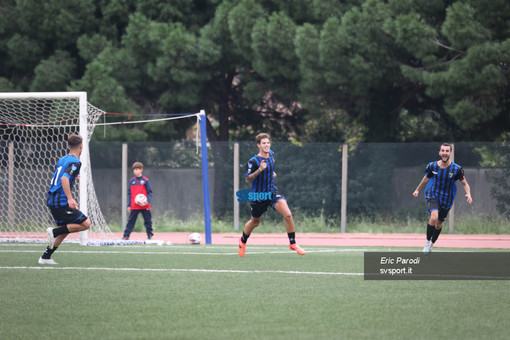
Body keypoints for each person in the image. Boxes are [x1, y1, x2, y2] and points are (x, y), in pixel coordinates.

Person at [238, 133, 306, 257]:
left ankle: (292, 243)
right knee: (255, 222)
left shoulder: (272, 155)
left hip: (272, 192)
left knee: (288, 215)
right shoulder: (253, 161)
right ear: (258, 145)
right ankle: (242, 241)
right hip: (258, 196)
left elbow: (269, 168)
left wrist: (270, 173)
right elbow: (248, 179)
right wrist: (260, 170)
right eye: (263, 143)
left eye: (268, 143)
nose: (266, 145)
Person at [39, 134, 91, 265]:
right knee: (86, 224)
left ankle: (45, 257)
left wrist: (74, 177)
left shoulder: (62, 159)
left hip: (52, 198)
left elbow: (61, 175)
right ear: (81, 146)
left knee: (66, 228)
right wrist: (70, 199)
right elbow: (63, 179)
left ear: (68, 146)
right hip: (60, 200)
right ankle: (54, 232)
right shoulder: (75, 162)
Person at [412, 143, 472, 253]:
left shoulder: (456, 169)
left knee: (438, 224)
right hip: (433, 194)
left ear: (450, 153)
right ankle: (426, 242)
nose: (444, 153)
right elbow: (426, 178)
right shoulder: (432, 166)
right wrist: (417, 189)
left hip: (447, 199)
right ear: (439, 152)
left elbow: (464, 183)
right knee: (434, 218)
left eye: (447, 151)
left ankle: (431, 244)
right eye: (443, 151)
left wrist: (468, 193)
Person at [122, 162, 153, 240]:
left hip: (144, 205)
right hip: (134, 206)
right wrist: (128, 205)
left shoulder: (146, 181)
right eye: (134, 170)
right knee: (131, 221)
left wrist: (147, 201)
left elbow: (150, 192)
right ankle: (126, 235)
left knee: (148, 221)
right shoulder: (132, 181)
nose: (135, 171)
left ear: (141, 170)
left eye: (137, 169)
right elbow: (129, 194)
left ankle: (149, 235)